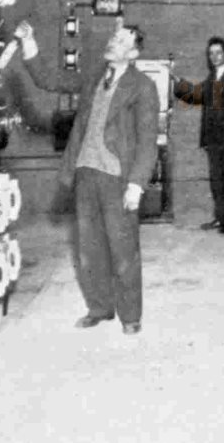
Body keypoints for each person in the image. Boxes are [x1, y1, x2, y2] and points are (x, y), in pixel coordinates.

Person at [15, 19, 159, 335]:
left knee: (123, 249)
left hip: (117, 177)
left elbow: (148, 141)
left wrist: (136, 184)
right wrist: (29, 41)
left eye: (121, 42)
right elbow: (48, 79)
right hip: (85, 172)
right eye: (114, 38)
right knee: (89, 248)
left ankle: (131, 315)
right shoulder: (94, 77)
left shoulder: (143, 87)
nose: (112, 43)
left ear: (133, 54)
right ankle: (100, 308)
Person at [172, 37, 224, 234]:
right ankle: (221, 218)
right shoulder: (212, 77)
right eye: (211, 53)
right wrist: (179, 84)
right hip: (213, 138)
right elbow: (198, 95)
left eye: (218, 53)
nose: (215, 56)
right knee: (217, 179)